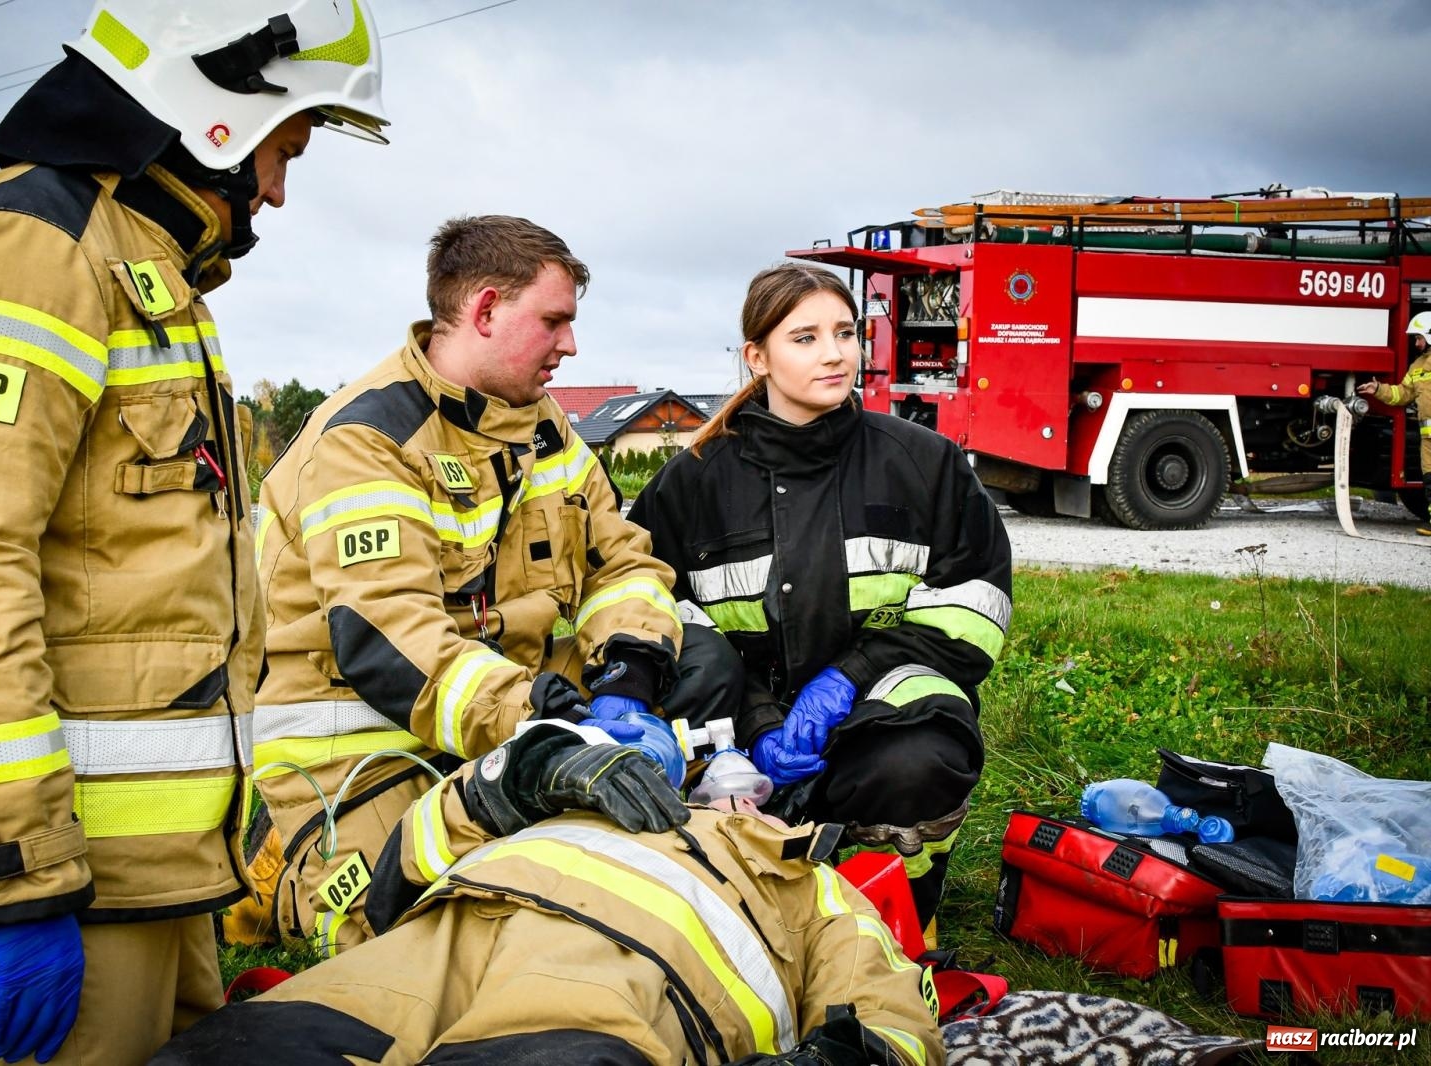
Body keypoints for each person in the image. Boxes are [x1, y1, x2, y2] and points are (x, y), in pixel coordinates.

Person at [0, 3, 389, 1063]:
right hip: (18, 902)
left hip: (146, 888)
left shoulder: (145, 272)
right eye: (287, 146)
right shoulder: (24, 249)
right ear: (219, 105)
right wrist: (19, 872)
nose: (277, 189)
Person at [240, 215, 740, 955]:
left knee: (698, 655)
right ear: (483, 311)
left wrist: (627, 683)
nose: (570, 345)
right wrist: (544, 732)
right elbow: (389, 644)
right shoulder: (367, 440)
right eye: (554, 322)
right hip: (369, 740)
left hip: (514, 704)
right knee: (402, 931)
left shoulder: (543, 428)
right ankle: (280, 865)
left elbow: (625, 562)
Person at [154, 725, 943, 1065]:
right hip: (426, 949)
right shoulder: (597, 795)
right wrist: (514, 780)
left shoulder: (806, 881)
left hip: (604, 986)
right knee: (241, 1053)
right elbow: (407, 866)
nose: (735, 796)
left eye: (757, 794)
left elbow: (892, 1008)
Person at [628, 264, 1013, 928]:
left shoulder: (924, 463)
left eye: (845, 332)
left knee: (921, 761)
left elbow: (973, 603)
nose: (835, 354)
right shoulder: (690, 484)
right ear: (758, 356)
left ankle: (899, 911)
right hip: (736, 740)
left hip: (875, 720)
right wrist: (757, 724)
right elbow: (658, 613)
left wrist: (845, 680)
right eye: (804, 337)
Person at [1357, 311, 1431, 534]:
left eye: (1419, 338)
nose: (1417, 343)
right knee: (1429, 478)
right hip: (1428, 437)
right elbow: (1402, 394)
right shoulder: (1417, 366)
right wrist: (1378, 389)